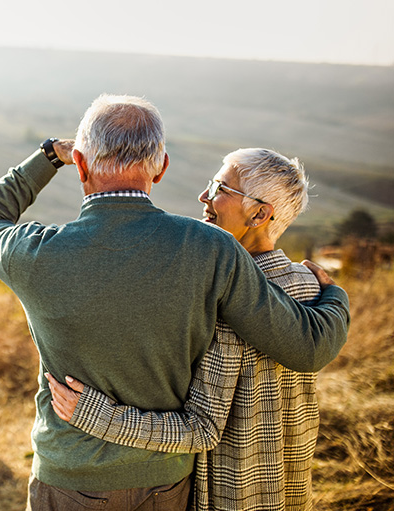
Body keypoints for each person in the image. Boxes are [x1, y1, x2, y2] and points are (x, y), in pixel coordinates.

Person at [0, 94, 350, 511]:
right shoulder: (211, 248)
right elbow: (306, 347)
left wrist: (48, 157)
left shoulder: (34, 253)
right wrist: (334, 296)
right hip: (167, 484)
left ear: (81, 163)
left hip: (70, 480)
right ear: (161, 167)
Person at [48, 148, 326, 510]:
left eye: (222, 188)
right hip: (290, 487)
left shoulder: (222, 303)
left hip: (232, 497)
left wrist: (97, 416)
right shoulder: (311, 284)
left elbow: (201, 429)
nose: (204, 196)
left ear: (259, 213)